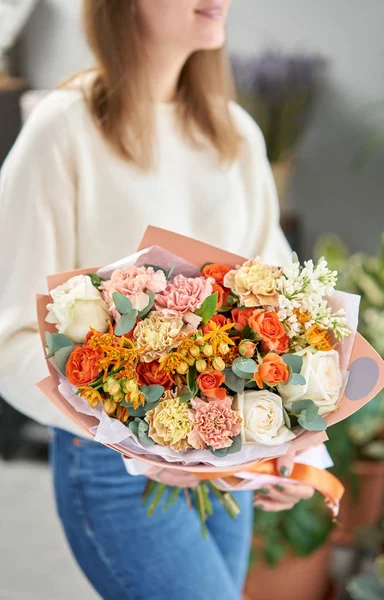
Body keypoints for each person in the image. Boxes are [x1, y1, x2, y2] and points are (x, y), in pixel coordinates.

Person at [0, 2, 315, 598]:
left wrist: (292, 455)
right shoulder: (62, 130)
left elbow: (282, 317)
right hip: (113, 466)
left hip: (225, 455)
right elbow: (10, 336)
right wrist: (131, 438)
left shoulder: (236, 134)